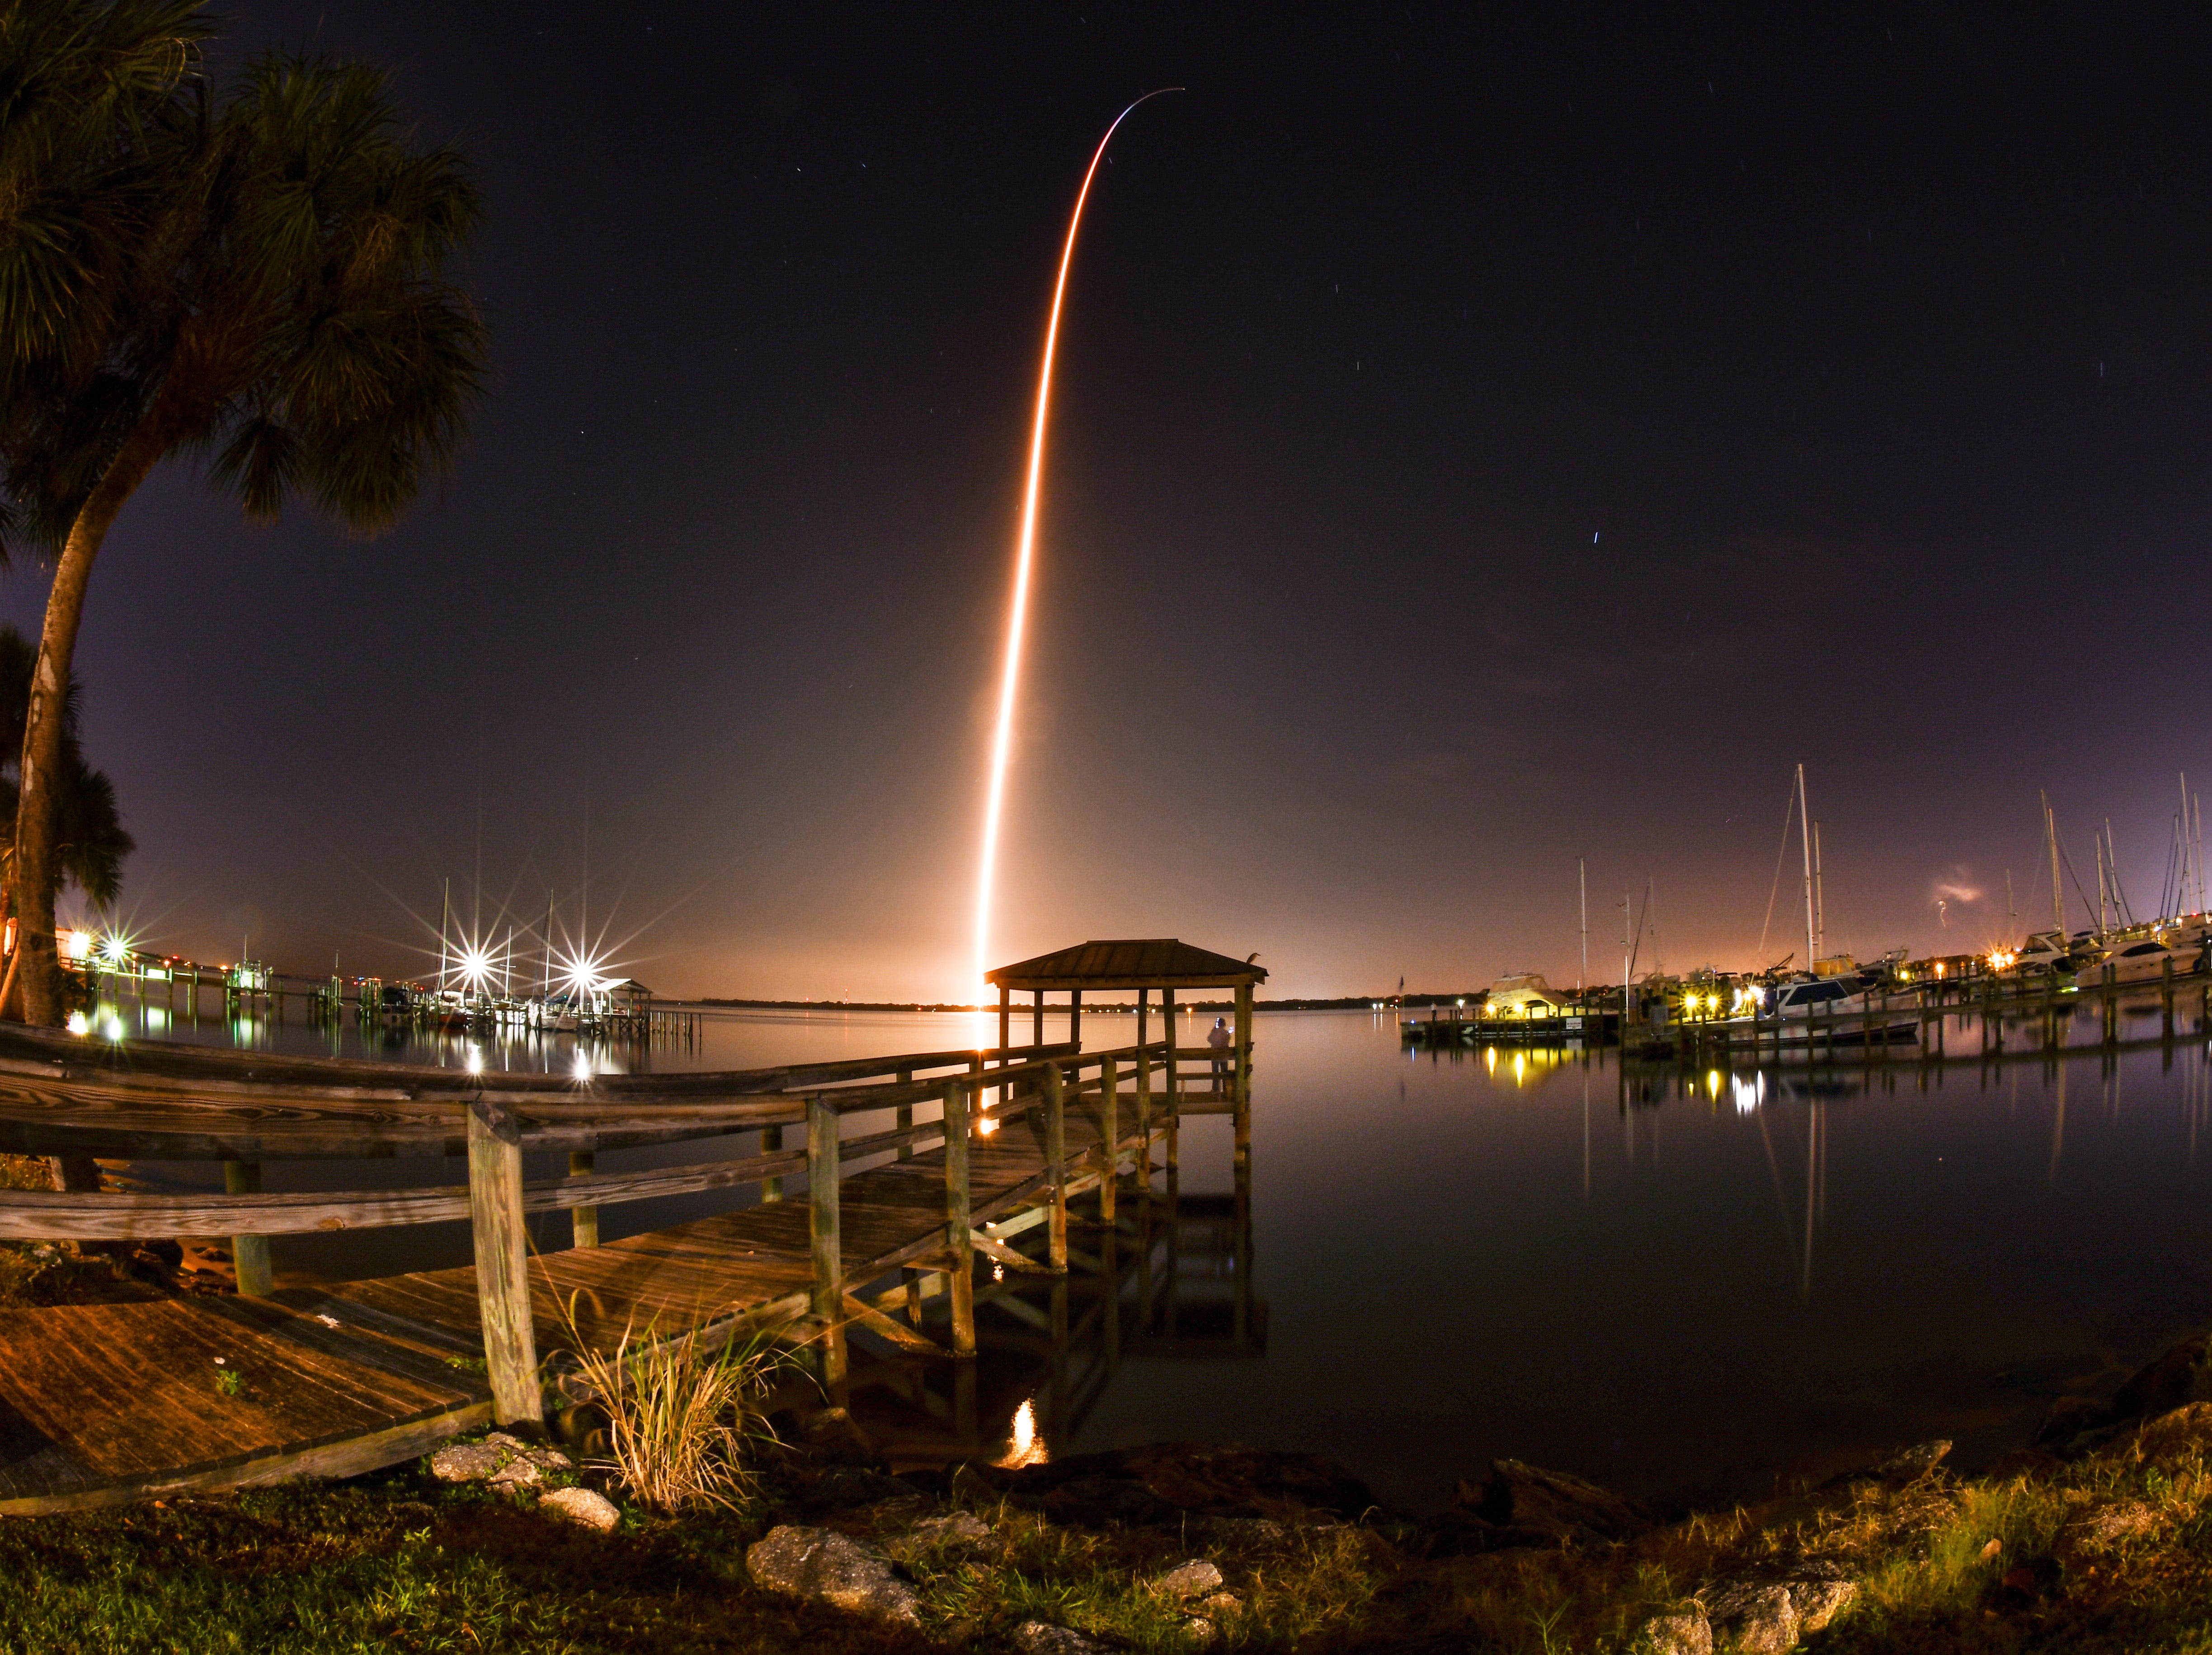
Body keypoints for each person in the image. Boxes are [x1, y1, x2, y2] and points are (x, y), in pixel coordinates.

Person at [1207, 1015, 1233, 1090]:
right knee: (1224, 1073)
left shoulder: (1214, 1032)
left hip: (1215, 1055)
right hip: (1224, 1055)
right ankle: (1225, 1090)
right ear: (1224, 1024)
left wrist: (1214, 1029)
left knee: (1215, 1073)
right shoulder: (1226, 1033)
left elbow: (1209, 1040)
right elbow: (1227, 1041)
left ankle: (1215, 1089)